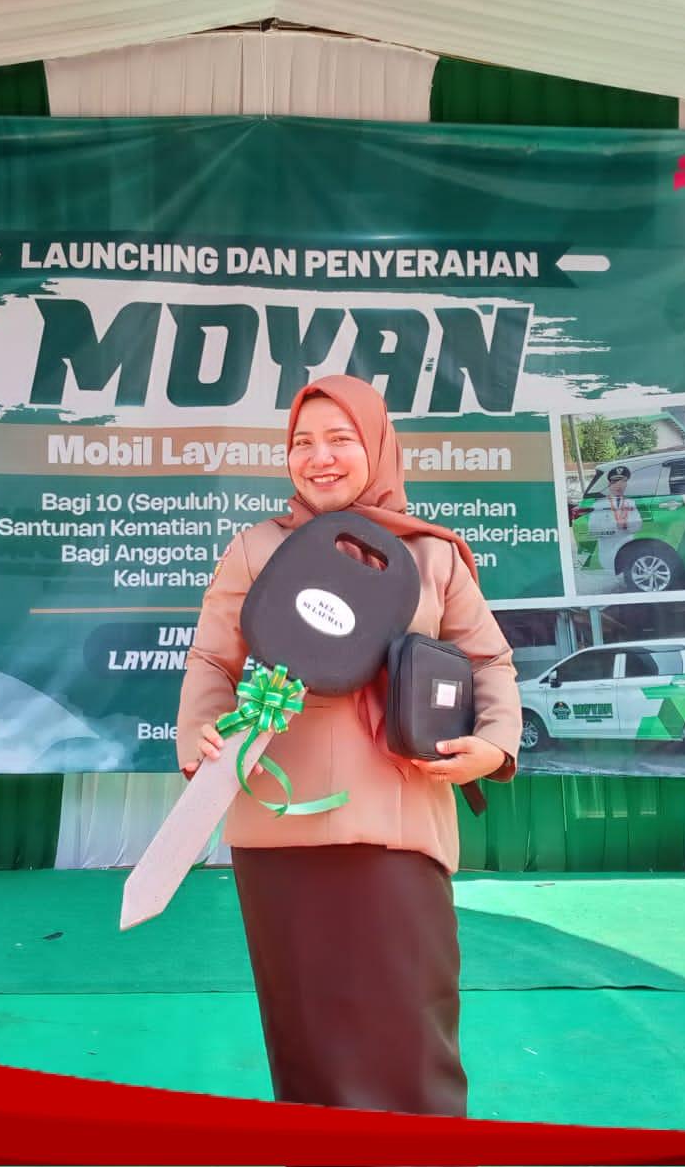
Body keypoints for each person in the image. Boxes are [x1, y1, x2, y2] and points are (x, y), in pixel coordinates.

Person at [176, 373, 521, 1116]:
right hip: (278, 830)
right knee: (308, 1041)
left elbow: (489, 661)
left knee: (410, 1034)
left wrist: (494, 745)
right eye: (302, 442)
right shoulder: (255, 549)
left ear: (378, 446)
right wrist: (201, 729)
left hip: (397, 825)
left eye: (340, 439)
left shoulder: (431, 556)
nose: (319, 457)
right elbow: (211, 659)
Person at [585, 463, 642, 570]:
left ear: (626, 484)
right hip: (608, 551)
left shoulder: (631, 503)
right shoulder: (599, 505)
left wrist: (625, 525)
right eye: (615, 482)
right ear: (609, 485)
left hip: (629, 549)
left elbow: (638, 526)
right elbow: (593, 529)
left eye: (623, 482)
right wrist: (617, 526)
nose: (619, 486)